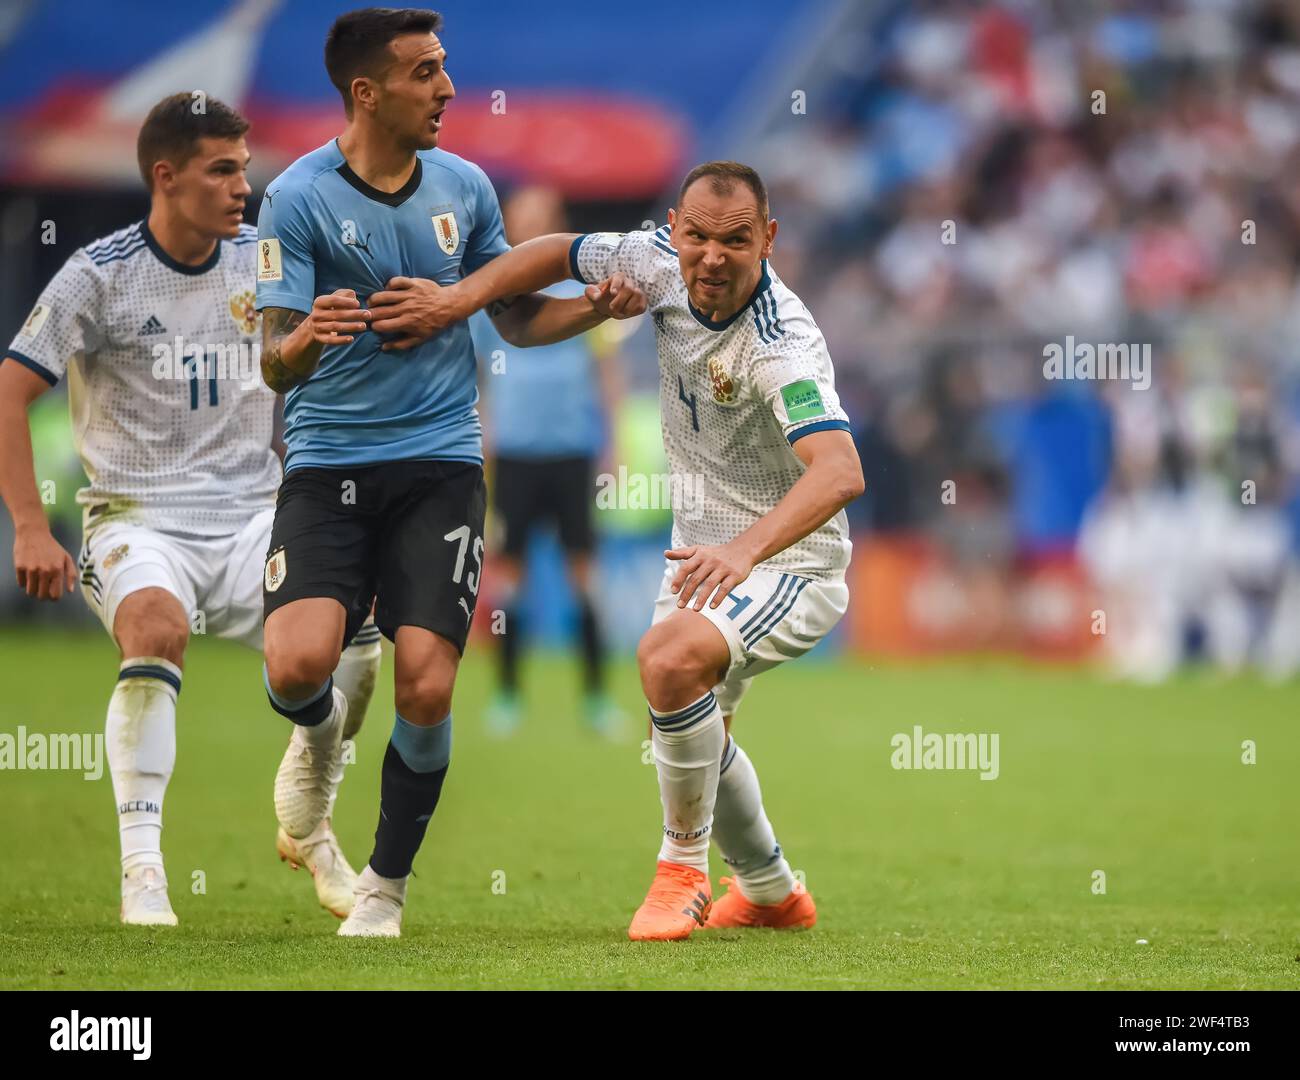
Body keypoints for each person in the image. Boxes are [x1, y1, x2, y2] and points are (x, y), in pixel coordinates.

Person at [390, 160, 865, 940]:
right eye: (697, 237)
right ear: (673, 230)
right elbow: (553, 252)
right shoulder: (653, 259)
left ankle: (681, 872)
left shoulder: (784, 344)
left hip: (789, 560)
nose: (712, 256)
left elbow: (841, 470)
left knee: (667, 663)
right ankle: (773, 892)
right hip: (700, 553)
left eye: (736, 241)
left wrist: (746, 551)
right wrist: (457, 300)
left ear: (768, 239)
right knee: (681, 722)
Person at [255, 8, 645, 937]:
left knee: (426, 683)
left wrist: (591, 307)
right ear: (367, 91)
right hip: (327, 466)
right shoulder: (295, 198)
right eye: (426, 72)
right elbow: (272, 358)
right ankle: (320, 738)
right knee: (296, 666)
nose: (448, 88)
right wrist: (307, 336)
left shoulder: (466, 189)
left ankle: (384, 887)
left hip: (440, 465)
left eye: (446, 68)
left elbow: (510, 320)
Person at [0, 93, 381, 926]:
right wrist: (31, 523)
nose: (243, 186)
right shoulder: (99, 274)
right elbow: (11, 385)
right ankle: (144, 874)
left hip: (254, 514)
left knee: (353, 633)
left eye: (245, 168)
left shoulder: (264, 261)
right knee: (154, 630)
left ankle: (309, 819)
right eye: (223, 170)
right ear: (166, 177)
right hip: (137, 519)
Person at [471, 185, 625, 737]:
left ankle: (596, 700)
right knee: (509, 578)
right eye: (520, 218)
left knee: (585, 576)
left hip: (571, 452)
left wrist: (612, 443)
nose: (528, 227)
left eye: (539, 217)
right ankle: (508, 698)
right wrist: (482, 441)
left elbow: (606, 373)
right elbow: (481, 378)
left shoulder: (585, 291)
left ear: (556, 222)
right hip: (512, 454)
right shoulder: (494, 290)